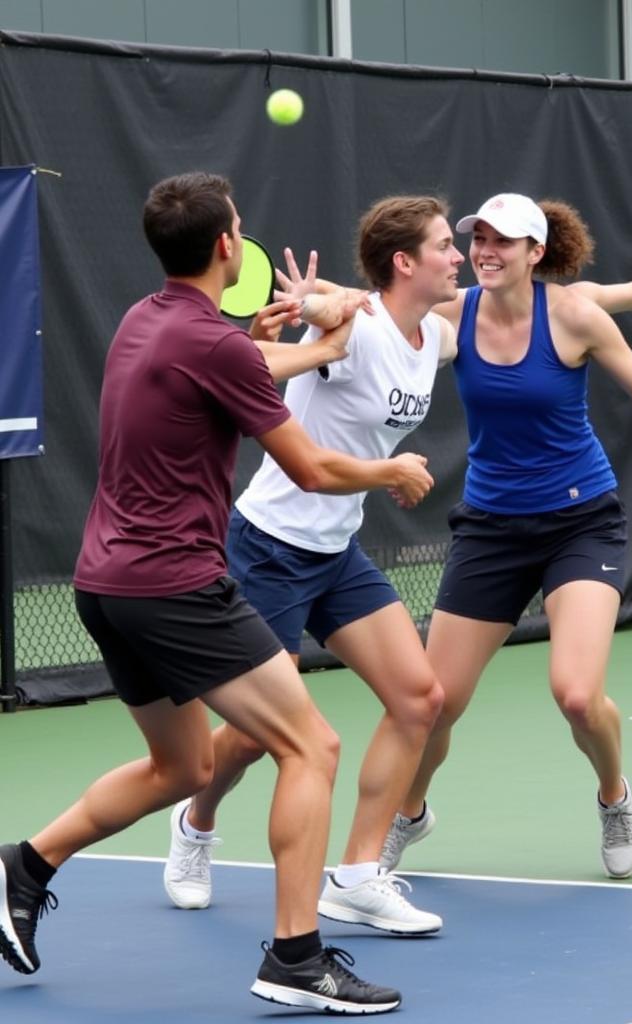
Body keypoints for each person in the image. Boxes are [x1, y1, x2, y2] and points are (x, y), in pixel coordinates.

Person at [0, 171, 435, 1014]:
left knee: (183, 765)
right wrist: (389, 468)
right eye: (239, 224)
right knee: (311, 747)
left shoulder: (146, 319)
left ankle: (22, 866)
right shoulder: (220, 346)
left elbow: (245, 358)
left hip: (105, 583)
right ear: (229, 247)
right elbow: (309, 466)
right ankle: (297, 958)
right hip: (174, 586)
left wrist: (305, 347)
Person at [375, 193, 632, 879]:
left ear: (535, 253)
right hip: (490, 528)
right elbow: (374, 310)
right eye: (477, 238)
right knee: (435, 703)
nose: (484, 250)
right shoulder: (454, 314)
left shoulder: (574, 316)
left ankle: (613, 797)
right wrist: (314, 301)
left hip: (580, 523)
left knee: (576, 695)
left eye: (502, 240)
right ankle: (409, 815)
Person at [163, 195, 463, 936]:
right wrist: (314, 301)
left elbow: (505, 306)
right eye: (446, 246)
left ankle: (359, 875)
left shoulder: (437, 338)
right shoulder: (353, 324)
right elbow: (322, 317)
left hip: (337, 552)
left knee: (420, 699)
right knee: (261, 732)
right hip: (269, 545)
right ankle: (195, 823)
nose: (457, 256)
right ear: (405, 262)